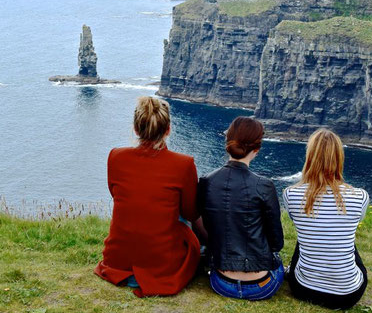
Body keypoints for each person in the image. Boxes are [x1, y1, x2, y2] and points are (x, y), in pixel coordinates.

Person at [94, 96, 200, 297]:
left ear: (135, 129)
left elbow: (116, 195)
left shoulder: (116, 156)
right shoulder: (184, 164)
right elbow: (190, 212)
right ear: (168, 130)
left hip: (117, 261)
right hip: (162, 266)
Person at [198, 116, 285, 300]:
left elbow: (205, 226)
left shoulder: (207, 181)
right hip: (261, 286)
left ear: (227, 141)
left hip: (221, 282)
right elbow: (277, 243)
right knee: (279, 263)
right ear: (257, 149)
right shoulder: (264, 185)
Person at [283, 128, 369, 310]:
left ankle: (307, 273)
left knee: (305, 236)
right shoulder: (360, 196)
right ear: (339, 158)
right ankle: (338, 277)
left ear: (310, 156)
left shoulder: (290, 195)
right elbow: (358, 219)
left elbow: (295, 220)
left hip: (303, 289)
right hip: (348, 295)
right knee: (348, 241)